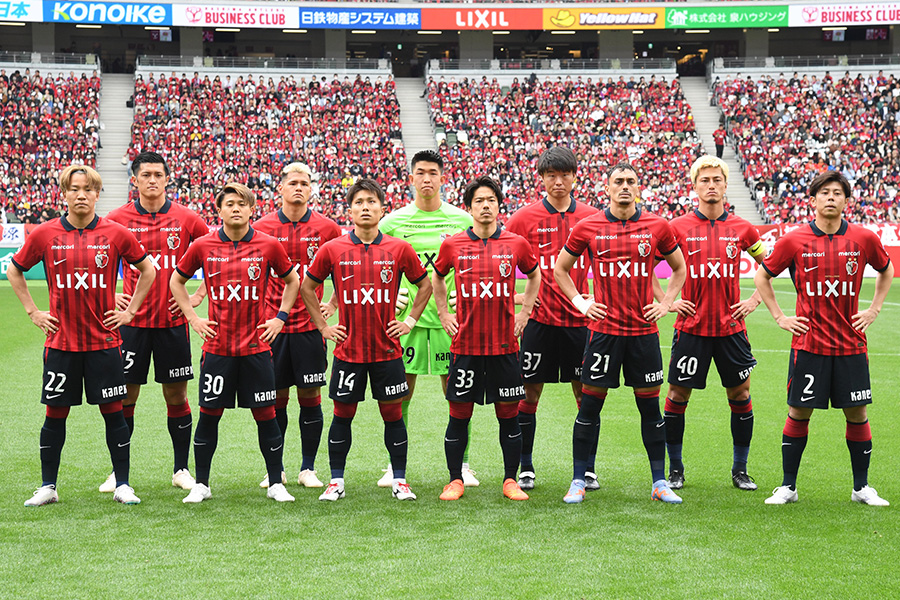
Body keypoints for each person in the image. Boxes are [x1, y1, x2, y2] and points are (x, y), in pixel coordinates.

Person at [10, 164, 156, 506]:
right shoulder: (45, 234)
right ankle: (48, 486)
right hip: (61, 344)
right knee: (55, 413)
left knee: (114, 412)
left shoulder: (116, 233)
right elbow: (14, 270)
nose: (81, 195)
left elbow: (148, 270)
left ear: (97, 194)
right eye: (74, 189)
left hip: (104, 344)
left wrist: (131, 311)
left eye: (88, 189)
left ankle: (122, 484)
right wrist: (33, 311)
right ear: (64, 194)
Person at [755, 170, 893, 506]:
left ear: (846, 201)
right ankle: (788, 487)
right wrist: (779, 317)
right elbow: (763, 275)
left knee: (857, 414)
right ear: (813, 200)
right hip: (809, 346)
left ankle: (861, 488)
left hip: (850, 346)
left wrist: (873, 309)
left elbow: (886, 269)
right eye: (825, 192)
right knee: (799, 412)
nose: (831, 197)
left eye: (837, 193)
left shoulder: (864, 238)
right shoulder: (793, 240)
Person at [554, 162, 687, 504]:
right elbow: (561, 269)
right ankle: (578, 480)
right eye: (618, 182)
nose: (625, 186)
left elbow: (679, 268)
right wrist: (581, 305)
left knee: (650, 409)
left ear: (638, 188)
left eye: (630, 181)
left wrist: (667, 302)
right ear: (607, 188)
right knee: (589, 408)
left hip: (643, 334)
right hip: (603, 333)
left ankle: (659, 483)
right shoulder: (588, 227)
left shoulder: (657, 226)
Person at [301, 178, 432, 502]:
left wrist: (410, 321)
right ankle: (336, 481)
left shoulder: (398, 248)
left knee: (393, 415)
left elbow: (425, 285)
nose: (365, 207)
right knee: (343, 415)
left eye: (371, 202)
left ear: (381, 208)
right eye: (359, 202)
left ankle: (399, 480)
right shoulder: (333, 249)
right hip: (349, 351)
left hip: (387, 351)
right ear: (350, 209)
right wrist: (323, 327)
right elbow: (307, 286)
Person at [171, 182, 300, 504]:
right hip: (218, 350)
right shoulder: (203, 245)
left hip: (257, 349)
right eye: (230, 204)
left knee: (266, 415)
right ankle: (202, 484)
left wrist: (280, 317)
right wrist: (193, 318)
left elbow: (293, 279)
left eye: (242, 204)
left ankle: (275, 482)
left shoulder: (269, 245)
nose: (236, 209)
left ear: (251, 209)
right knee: (209, 415)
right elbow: (177, 279)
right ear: (220, 209)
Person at [101, 152, 210, 494]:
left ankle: (181, 468)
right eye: (145, 174)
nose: (151, 180)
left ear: (167, 179)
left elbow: (215, 252)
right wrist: (110, 297)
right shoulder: (117, 219)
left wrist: (198, 294)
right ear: (134, 180)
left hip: (172, 322)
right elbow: (97, 262)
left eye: (157, 174)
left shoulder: (187, 219)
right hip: (131, 325)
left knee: (176, 395)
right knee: (125, 396)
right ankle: (119, 474)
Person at [657, 156, 767, 492]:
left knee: (740, 393)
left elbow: (771, 266)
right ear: (694, 186)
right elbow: (647, 265)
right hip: (691, 329)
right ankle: (675, 469)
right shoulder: (676, 228)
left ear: (725, 184)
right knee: (677, 393)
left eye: (717, 179)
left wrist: (754, 300)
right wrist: (667, 301)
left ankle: (740, 470)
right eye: (704, 180)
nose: (711, 185)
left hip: (731, 330)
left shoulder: (743, 228)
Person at [433, 176, 540, 501]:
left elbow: (535, 275)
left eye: (490, 200)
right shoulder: (452, 244)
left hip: (504, 348)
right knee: (458, 416)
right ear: (470, 207)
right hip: (465, 347)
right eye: (479, 201)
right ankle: (455, 480)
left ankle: (510, 480)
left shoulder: (516, 244)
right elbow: (436, 278)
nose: (485, 206)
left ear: (498, 205)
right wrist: (444, 314)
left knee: (508, 415)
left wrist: (525, 314)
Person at [379, 150, 477, 487]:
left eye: (432, 173)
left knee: (458, 393)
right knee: (399, 393)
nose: (426, 179)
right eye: (420, 172)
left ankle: (463, 465)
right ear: (410, 178)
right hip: (407, 323)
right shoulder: (391, 223)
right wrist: (391, 297)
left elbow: (482, 261)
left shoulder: (463, 220)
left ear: (442, 178)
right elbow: (375, 264)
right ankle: (394, 466)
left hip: (452, 322)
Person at [506, 146, 600, 491]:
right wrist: (519, 301)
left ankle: (587, 468)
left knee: (587, 395)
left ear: (575, 176)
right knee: (528, 394)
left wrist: (597, 298)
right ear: (542, 179)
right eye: (551, 176)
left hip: (582, 323)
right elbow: (506, 263)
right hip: (539, 323)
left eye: (564, 175)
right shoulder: (523, 219)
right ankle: (526, 467)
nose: (558, 182)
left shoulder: (592, 217)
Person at [253, 162, 341, 489]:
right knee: (274, 399)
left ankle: (308, 467)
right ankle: (275, 469)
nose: (299, 187)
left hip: (309, 327)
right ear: (280, 188)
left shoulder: (328, 228)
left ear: (312, 188)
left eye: (305, 182)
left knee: (310, 396)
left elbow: (342, 269)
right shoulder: (260, 227)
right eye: (293, 182)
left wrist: (332, 302)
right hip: (271, 329)